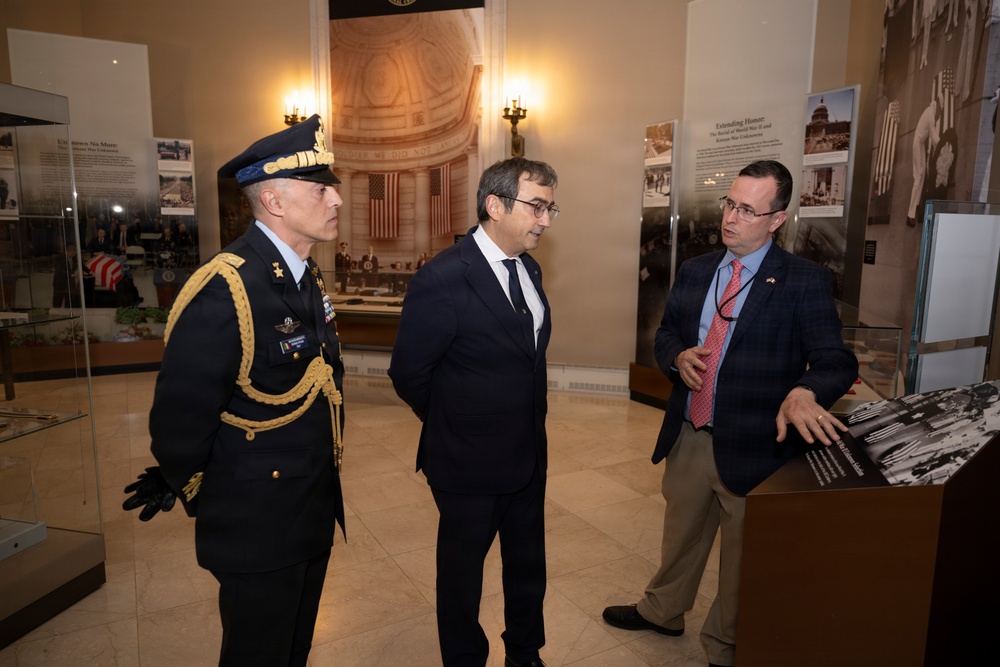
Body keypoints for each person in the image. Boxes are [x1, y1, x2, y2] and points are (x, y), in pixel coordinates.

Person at [601, 160, 857, 667]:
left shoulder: (803, 281)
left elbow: (835, 359)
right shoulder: (697, 271)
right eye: (729, 204)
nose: (731, 218)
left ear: (777, 219)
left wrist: (806, 390)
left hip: (757, 442)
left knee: (742, 556)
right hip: (692, 430)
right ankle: (663, 611)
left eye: (747, 209)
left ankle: (725, 644)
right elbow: (667, 333)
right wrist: (676, 356)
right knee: (682, 535)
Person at [122, 114, 347, 667]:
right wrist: (202, 489)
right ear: (273, 201)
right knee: (257, 653)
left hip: (309, 508)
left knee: (293, 647)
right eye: (321, 189)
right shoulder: (225, 288)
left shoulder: (303, 276)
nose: (336, 199)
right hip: (257, 521)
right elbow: (179, 420)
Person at [389, 157, 558, 667]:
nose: (546, 220)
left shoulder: (529, 268)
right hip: (466, 461)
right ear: (495, 204)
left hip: (528, 453)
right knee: (462, 577)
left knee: (528, 565)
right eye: (537, 207)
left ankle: (525, 653)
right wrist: (454, 423)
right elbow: (409, 373)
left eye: (551, 208)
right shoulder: (443, 278)